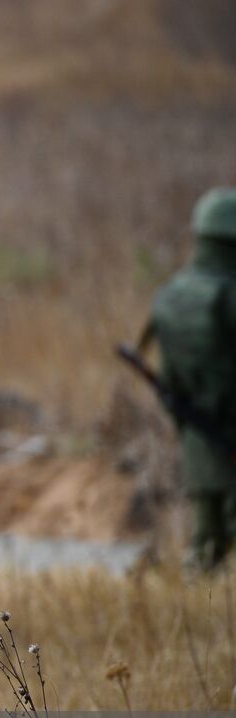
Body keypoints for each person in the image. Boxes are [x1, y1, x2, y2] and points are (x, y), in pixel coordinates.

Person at [147, 188, 236, 571]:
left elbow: (168, 379)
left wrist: (189, 427)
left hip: (198, 435)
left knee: (205, 545)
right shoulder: (228, 294)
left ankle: (188, 617)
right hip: (230, 432)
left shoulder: (171, 293)